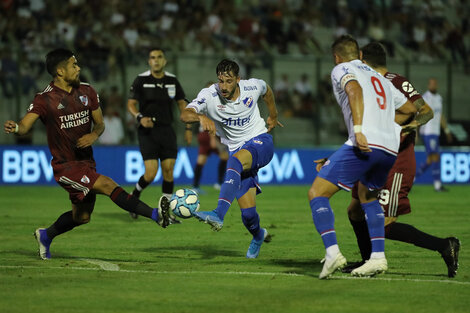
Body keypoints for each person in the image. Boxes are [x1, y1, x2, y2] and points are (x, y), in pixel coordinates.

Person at [3, 48, 170, 260]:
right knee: (108, 185)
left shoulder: (87, 91)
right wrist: (16, 128)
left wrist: (93, 135)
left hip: (86, 162)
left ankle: (46, 235)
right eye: (74, 65)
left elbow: (99, 124)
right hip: (65, 166)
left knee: (81, 217)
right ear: (60, 71)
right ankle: (156, 215)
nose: (78, 68)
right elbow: (25, 126)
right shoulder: (45, 99)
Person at [338, 42, 460, 278]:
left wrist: (408, 127)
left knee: (384, 224)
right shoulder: (367, 83)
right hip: (373, 160)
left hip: (397, 163)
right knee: (354, 211)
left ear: (363, 58)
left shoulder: (396, 81)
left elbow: (426, 111)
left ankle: (445, 245)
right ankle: (367, 260)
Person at [308, 35, 417, 279]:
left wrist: (359, 130)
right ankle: (377, 258)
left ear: (337, 57)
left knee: (317, 193)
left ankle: (333, 252)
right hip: (389, 148)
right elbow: (410, 109)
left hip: (365, 143)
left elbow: (354, 89)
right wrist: (386, 128)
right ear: (359, 55)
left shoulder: (341, 69)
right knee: (368, 197)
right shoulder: (379, 77)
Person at [180, 59, 283, 258]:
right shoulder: (209, 95)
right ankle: (259, 235)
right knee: (248, 215)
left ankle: (218, 213)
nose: (224, 87)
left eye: (228, 81)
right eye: (220, 81)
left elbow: (267, 90)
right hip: (240, 154)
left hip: (261, 141)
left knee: (233, 161)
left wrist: (273, 115)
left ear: (238, 79)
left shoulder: (251, 87)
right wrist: (200, 117)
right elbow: (185, 114)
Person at [127, 47, 191, 220]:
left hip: (166, 130)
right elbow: (131, 104)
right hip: (147, 131)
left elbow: (181, 105)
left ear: (164, 61)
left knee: (169, 171)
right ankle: (134, 196)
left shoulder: (172, 81)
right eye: (152, 57)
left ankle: (165, 212)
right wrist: (139, 117)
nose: (156, 60)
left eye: (159, 57)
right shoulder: (141, 80)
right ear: (149, 61)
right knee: (151, 174)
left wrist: (188, 128)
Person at [416, 78, 453, 192]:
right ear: (428, 85)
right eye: (431, 84)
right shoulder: (425, 98)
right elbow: (419, 115)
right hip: (428, 131)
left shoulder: (439, 98)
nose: (433, 85)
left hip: (435, 132)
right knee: (435, 157)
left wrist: (446, 130)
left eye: (435, 84)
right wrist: (416, 133)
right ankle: (437, 185)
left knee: (431, 159)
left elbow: (440, 115)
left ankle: (412, 178)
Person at [192, 125, 229, 192]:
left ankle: (195, 186)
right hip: (209, 135)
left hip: (203, 134)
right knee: (224, 156)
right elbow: (210, 121)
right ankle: (219, 183)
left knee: (201, 160)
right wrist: (212, 138)